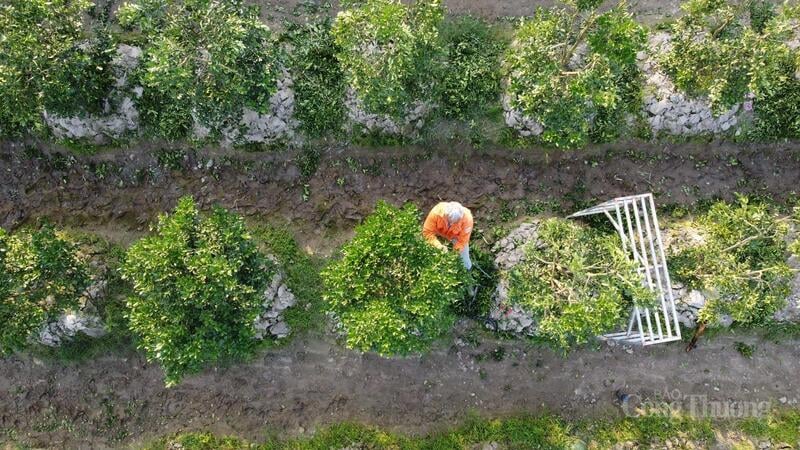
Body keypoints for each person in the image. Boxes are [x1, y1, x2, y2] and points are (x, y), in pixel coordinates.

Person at [422, 201, 473, 270]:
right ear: (446, 214)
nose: (451, 224)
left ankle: (467, 271)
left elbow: (462, 241)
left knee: (465, 260)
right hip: (439, 232)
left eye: (454, 222)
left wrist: (453, 254)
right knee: (427, 245)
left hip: (455, 236)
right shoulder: (436, 212)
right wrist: (438, 246)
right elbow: (427, 232)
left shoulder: (468, 220)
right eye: (449, 221)